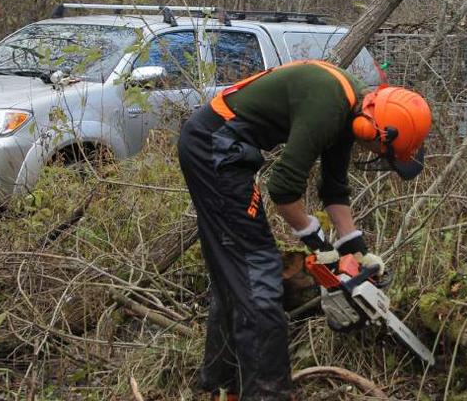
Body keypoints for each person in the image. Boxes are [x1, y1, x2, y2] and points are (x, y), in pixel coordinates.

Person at [177, 59, 432, 400]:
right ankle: (267, 393)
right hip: (215, 147)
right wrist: (317, 242)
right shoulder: (331, 108)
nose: (375, 155)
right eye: (382, 151)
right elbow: (282, 188)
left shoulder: (352, 106)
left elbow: (334, 189)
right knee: (258, 270)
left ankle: (223, 384)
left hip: (225, 147)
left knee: (235, 273)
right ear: (370, 130)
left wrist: (354, 248)